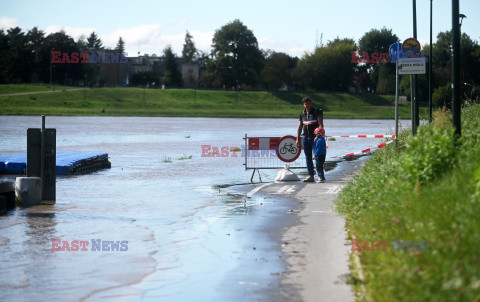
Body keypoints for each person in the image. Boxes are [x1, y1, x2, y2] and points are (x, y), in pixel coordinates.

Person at [296, 97, 324, 182]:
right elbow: (300, 126)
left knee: (317, 157)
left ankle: (320, 176)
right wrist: (297, 139)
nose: (307, 105)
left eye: (308, 103)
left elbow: (320, 125)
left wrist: (318, 136)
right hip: (305, 138)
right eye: (305, 104)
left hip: (315, 138)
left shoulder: (316, 112)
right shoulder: (302, 114)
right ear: (303, 105)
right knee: (308, 157)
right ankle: (311, 176)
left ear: (311, 103)